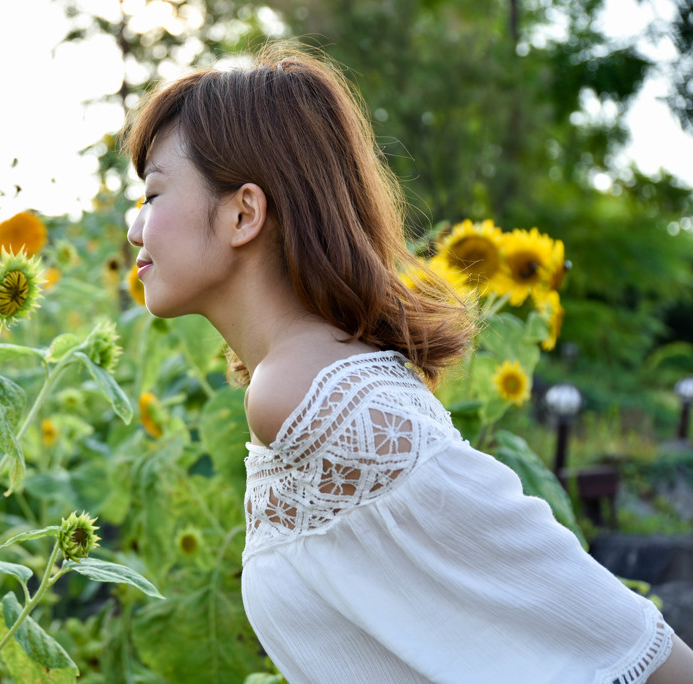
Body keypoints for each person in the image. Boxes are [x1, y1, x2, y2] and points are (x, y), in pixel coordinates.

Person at [122, 42, 693, 683]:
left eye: (152, 195)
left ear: (243, 212)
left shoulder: (309, 395)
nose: (133, 228)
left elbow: (571, 605)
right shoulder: (311, 380)